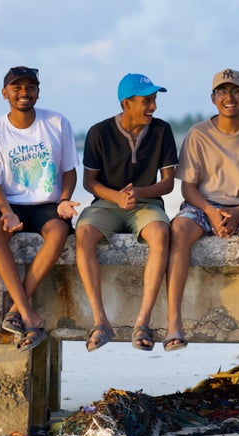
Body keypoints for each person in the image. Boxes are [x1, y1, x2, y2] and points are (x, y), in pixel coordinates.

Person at [166, 69, 239, 365]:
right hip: (205, 204)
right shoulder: (198, 133)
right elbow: (188, 187)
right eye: (222, 92)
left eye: (235, 91)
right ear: (213, 98)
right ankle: (174, 323)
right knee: (178, 230)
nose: (229, 97)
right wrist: (210, 212)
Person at [0, 66, 77, 352]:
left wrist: (65, 199)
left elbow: (69, 172)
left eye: (30, 87)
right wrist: (6, 211)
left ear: (38, 90)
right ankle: (27, 313)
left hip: (47, 204)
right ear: (5, 92)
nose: (24, 93)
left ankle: (15, 311)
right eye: (17, 87)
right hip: (10, 202)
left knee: (59, 231)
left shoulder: (58, 123)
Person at [76, 73, 177, 352]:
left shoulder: (162, 131)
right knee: (83, 234)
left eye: (154, 100)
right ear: (126, 103)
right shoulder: (99, 132)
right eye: (147, 101)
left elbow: (168, 183)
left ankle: (142, 323)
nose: (153, 107)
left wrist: (140, 193)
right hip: (107, 202)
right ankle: (101, 322)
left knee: (160, 233)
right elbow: (89, 182)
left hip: (147, 203)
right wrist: (116, 196)